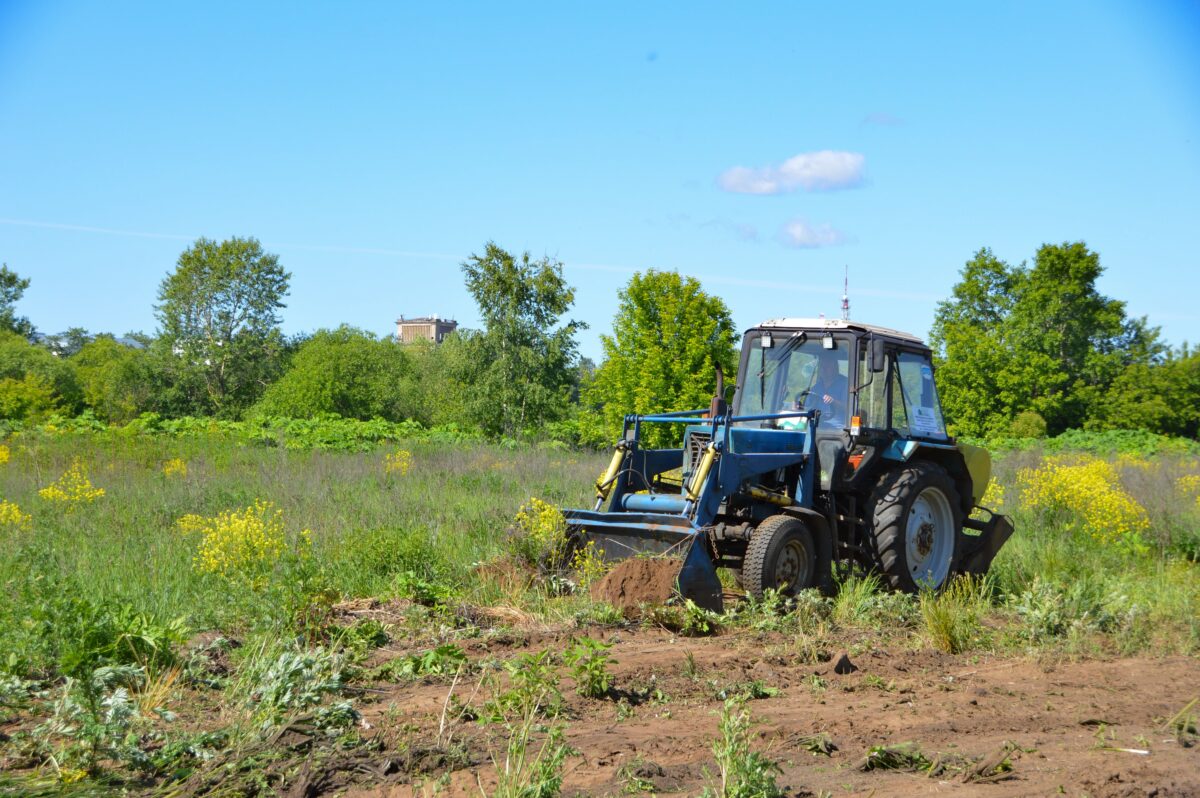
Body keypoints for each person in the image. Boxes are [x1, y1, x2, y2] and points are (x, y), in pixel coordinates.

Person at [798, 354, 848, 426]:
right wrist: (798, 406)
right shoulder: (816, 387)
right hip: (818, 423)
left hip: (838, 426)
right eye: (822, 366)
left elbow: (848, 408)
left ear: (835, 367)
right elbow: (808, 406)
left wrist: (833, 402)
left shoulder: (845, 384)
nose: (823, 369)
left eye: (827, 366)